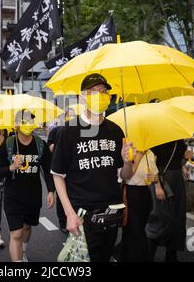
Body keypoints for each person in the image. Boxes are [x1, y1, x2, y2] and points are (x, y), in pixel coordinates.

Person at [51, 73, 135, 262]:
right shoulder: (68, 131)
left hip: (111, 214)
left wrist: (128, 161)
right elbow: (57, 175)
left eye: (104, 92)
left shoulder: (116, 131)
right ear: (82, 97)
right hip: (81, 217)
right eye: (94, 92)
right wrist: (69, 214)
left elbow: (125, 175)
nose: (100, 96)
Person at [0, 110, 55, 262]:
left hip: (33, 195)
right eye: (25, 121)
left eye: (31, 121)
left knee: (27, 228)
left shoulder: (40, 144)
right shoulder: (8, 144)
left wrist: (50, 191)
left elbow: (47, 169)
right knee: (16, 233)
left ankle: (23, 251)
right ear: (16, 124)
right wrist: (11, 167)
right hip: (12, 196)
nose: (29, 124)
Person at [146, 140, 191, 262]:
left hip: (176, 182)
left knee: (177, 218)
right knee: (159, 218)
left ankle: (171, 256)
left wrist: (183, 165)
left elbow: (177, 160)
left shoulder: (179, 141)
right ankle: (149, 255)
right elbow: (151, 164)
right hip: (161, 181)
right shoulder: (157, 139)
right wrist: (157, 186)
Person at [114, 149, 158, 262]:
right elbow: (125, 177)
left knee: (134, 233)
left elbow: (155, 177)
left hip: (145, 195)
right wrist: (137, 157)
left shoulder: (150, 153)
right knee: (137, 233)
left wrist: (155, 179)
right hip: (129, 194)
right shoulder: (127, 152)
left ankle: (122, 255)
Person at [47, 109, 76, 234]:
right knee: (61, 194)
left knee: (73, 193)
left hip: (74, 168)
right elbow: (51, 148)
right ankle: (62, 221)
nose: (71, 118)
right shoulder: (56, 130)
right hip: (60, 166)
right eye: (69, 116)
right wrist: (60, 143)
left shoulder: (78, 130)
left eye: (73, 116)